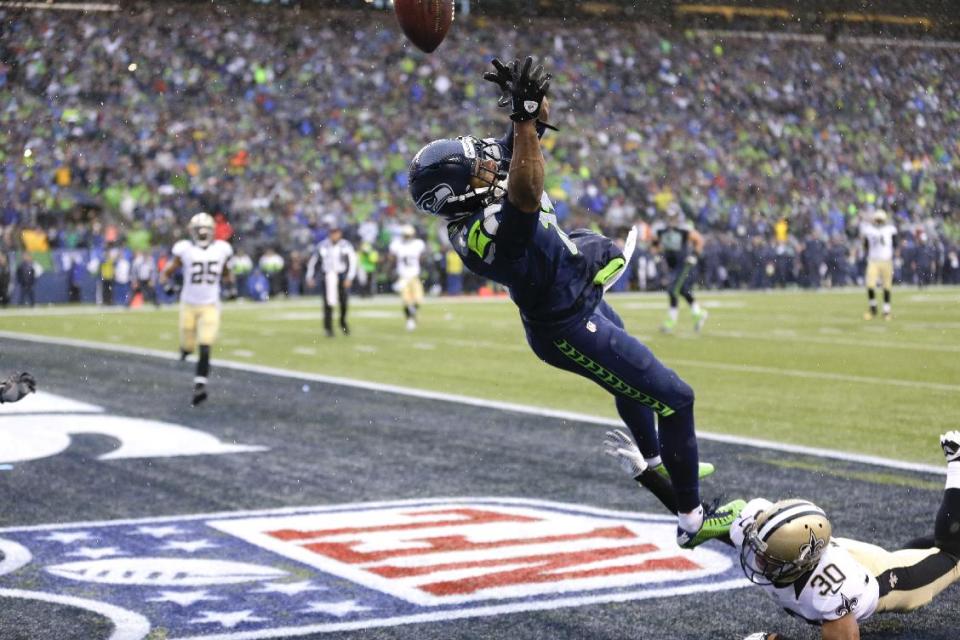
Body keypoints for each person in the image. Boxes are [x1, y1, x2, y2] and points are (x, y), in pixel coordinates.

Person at [407, 56, 738, 549]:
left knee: (631, 366)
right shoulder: (479, 231)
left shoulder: (483, 191)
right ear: (455, 198)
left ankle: (654, 458)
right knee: (676, 398)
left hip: (574, 284)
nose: (489, 163)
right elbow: (524, 190)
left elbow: (529, 135)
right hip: (564, 325)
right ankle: (691, 518)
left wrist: (529, 105)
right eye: (477, 168)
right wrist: (521, 122)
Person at [603, 429, 960, 640]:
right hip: (849, 555)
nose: (756, 556)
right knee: (919, 549)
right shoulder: (765, 537)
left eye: (767, 555)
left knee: (951, 552)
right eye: (761, 548)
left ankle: (958, 461)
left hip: (888, 584)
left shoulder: (831, 594)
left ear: (800, 561)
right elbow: (699, 517)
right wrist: (645, 474)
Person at [158, 212, 234, 406]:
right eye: (199, 230)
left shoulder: (220, 250)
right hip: (189, 304)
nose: (202, 234)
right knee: (188, 344)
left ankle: (200, 384)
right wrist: (167, 285)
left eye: (205, 230)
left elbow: (226, 272)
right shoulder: (185, 250)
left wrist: (230, 285)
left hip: (210, 304)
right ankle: (185, 350)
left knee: (206, 343)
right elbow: (166, 273)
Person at [651, 204, 708, 333]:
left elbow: (699, 240)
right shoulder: (661, 229)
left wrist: (694, 255)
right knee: (682, 290)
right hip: (671, 265)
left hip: (683, 264)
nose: (671, 219)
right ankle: (698, 313)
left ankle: (671, 322)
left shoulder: (684, 229)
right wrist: (657, 255)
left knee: (672, 290)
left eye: (673, 216)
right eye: (669, 216)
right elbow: (654, 244)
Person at [306, 224, 357, 338]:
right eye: (333, 233)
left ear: (340, 233)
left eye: (336, 232)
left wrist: (349, 277)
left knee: (344, 302)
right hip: (328, 276)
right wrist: (310, 276)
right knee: (328, 303)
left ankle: (343, 323)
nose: (335, 235)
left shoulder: (346, 245)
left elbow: (353, 262)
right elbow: (313, 262)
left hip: (341, 275)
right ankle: (328, 328)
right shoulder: (323, 246)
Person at [860, 209, 897, 320]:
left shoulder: (890, 229)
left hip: (886, 261)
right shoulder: (869, 230)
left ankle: (886, 311)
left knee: (886, 286)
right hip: (873, 261)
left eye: (880, 220)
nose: (879, 222)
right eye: (877, 220)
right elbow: (866, 246)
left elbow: (895, 243)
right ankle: (873, 308)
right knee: (870, 285)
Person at [389, 224, 427, 330]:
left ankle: (413, 313)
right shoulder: (397, 245)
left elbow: (422, 256)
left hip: (414, 276)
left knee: (418, 300)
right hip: (403, 277)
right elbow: (391, 257)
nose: (407, 237)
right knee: (406, 301)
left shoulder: (417, 244)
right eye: (406, 235)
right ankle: (409, 320)